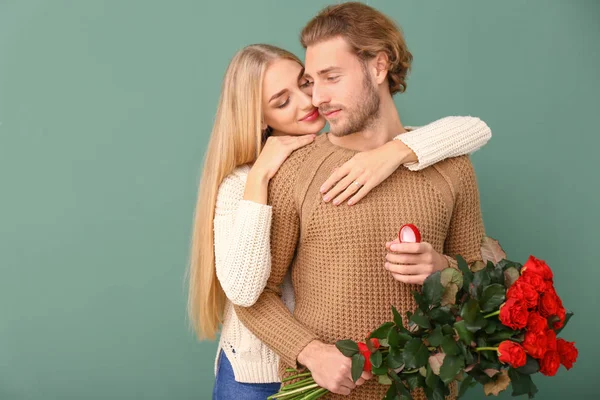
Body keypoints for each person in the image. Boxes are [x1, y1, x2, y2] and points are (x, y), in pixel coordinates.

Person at [188, 37, 490, 400]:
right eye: (282, 102)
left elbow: (475, 129)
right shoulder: (247, 181)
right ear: (259, 120)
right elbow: (244, 293)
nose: (310, 102)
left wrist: (393, 152)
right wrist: (258, 179)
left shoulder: (355, 156)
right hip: (257, 371)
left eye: (306, 84)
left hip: (332, 370)